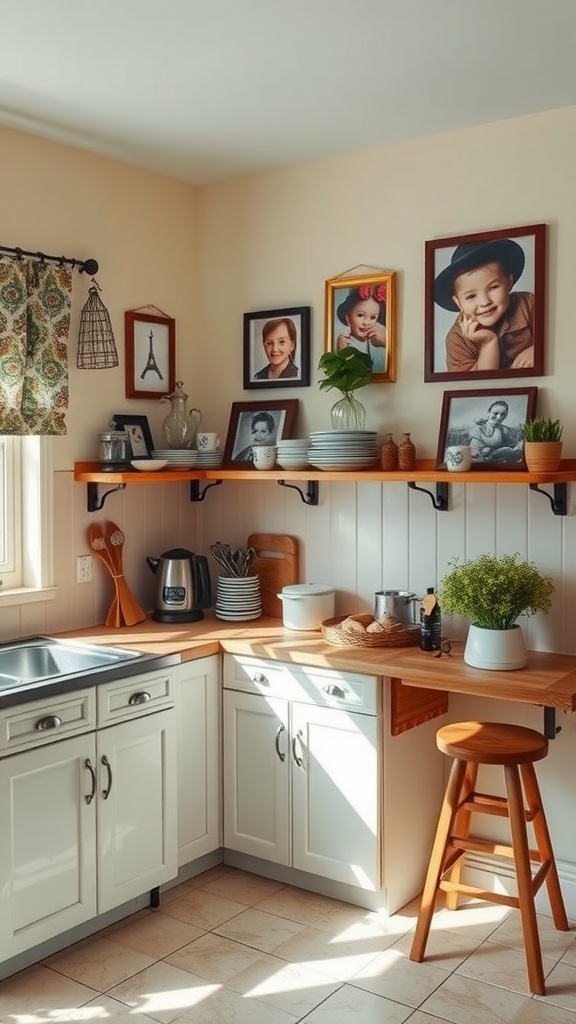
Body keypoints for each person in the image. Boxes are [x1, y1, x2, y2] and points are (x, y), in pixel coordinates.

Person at [434, 237, 534, 373]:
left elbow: (559, 337)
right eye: (471, 296)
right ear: (458, 302)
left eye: (493, 288)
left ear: (509, 283)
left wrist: (536, 350)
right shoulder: (457, 340)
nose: (485, 302)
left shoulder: (529, 304)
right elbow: (477, 385)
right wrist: (489, 342)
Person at [335, 285, 387, 372]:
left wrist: (385, 341)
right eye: (360, 315)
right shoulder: (344, 343)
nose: (366, 322)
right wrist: (343, 353)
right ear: (347, 318)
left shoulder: (378, 340)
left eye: (373, 317)